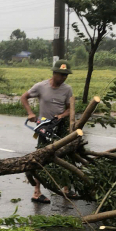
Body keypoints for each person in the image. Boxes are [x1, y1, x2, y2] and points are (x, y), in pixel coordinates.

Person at [20, 59, 76, 204]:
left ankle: (66, 188)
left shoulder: (67, 89)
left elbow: (70, 108)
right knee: (41, 157)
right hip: (45, 126)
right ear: (54, 73)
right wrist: (30, 113)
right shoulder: (41, 86)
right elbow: (24, 97)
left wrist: (63, 115)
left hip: (60, 125)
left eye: (66, 75)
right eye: (61, 74)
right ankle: (37, 192)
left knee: (66, 156)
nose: (64, 78)